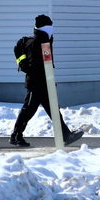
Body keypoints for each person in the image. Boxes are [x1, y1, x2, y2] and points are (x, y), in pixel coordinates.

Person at [10, 14, 83, 147]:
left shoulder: (42, 42)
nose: (52, 28)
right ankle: (15, 136)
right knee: (28, 110)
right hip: (37, 85)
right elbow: (36, 66)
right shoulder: (38, 44)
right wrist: (45, 79)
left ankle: (66, 135)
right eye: (50, 26)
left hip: (44, 84)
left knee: (53, 110)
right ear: (44, 27)